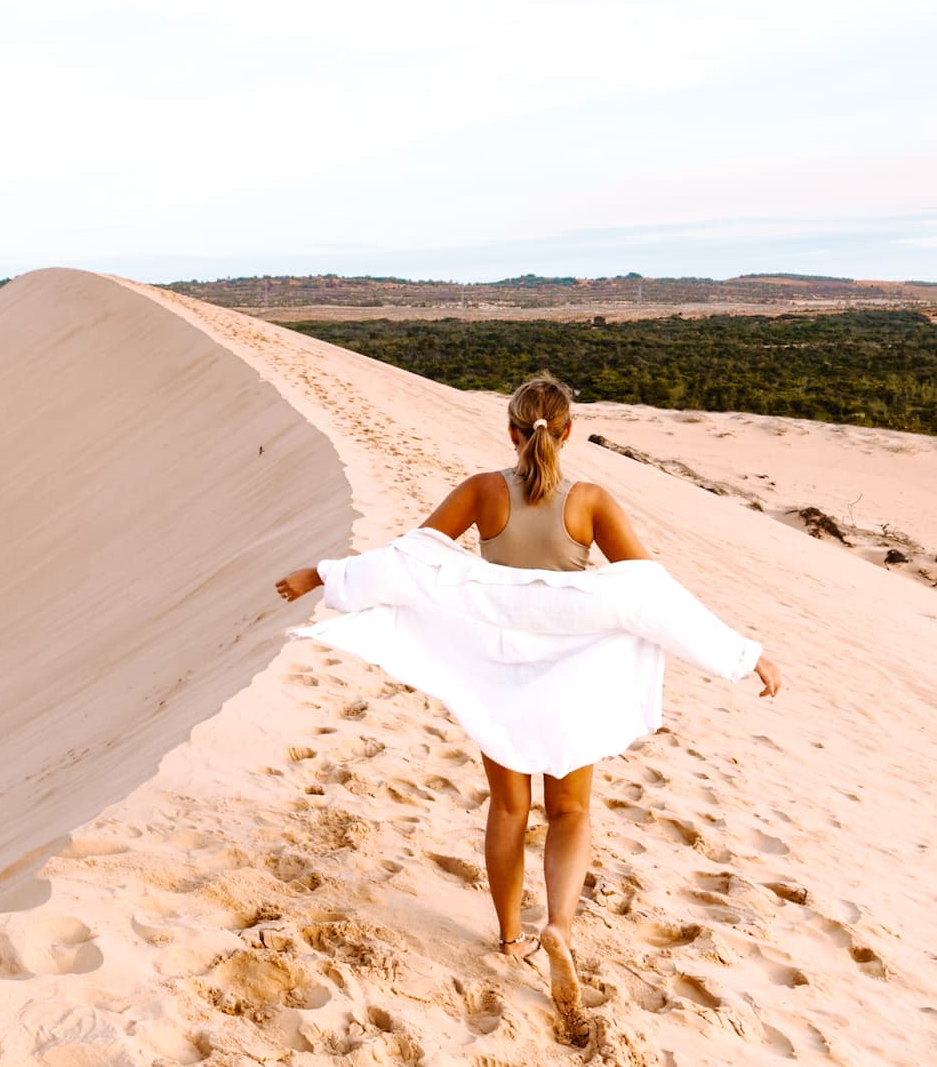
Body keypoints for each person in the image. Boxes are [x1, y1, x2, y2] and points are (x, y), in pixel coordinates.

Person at [275, 372, 782, 1020]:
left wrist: (322, 573)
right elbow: (652, 596)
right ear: (567, 433)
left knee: (510, 807)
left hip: (496, 674)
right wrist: (743, 655)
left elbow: (408, 561)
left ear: (511, 431)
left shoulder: (484, 491)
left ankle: (511, 936)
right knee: (570, 813)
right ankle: (560, 929)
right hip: (570, 679)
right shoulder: (591, 502)